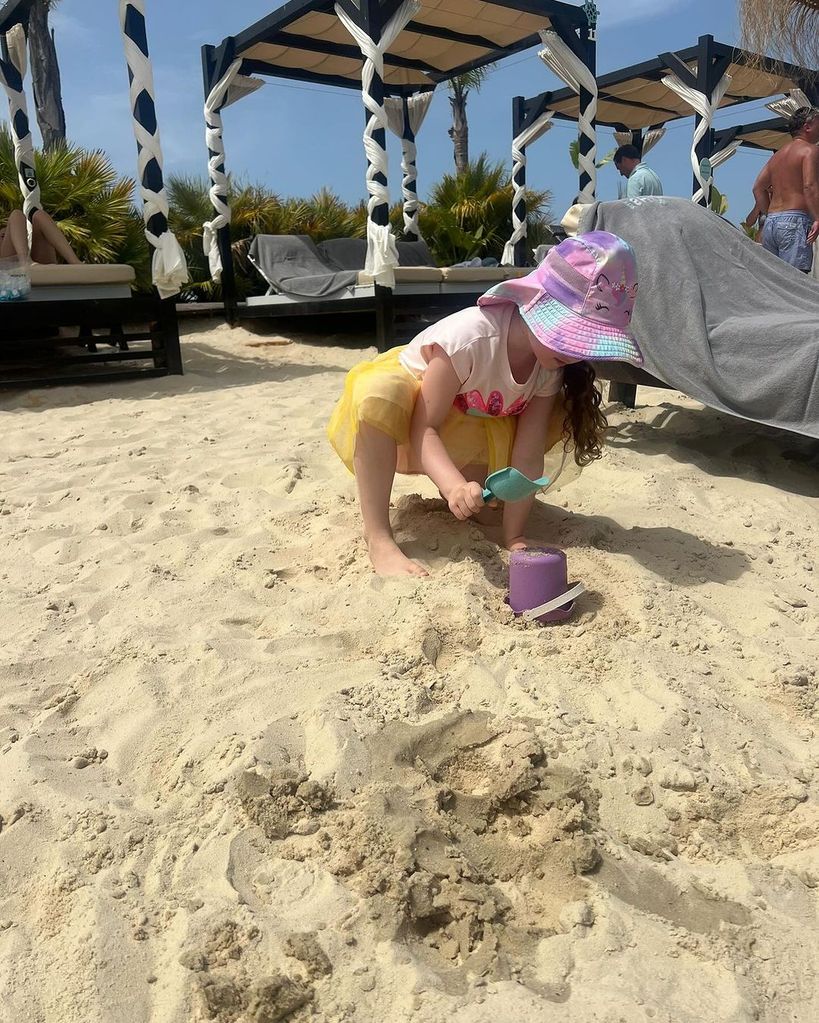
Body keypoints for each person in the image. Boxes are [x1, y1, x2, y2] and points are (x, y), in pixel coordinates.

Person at [327, 233, 643, 576]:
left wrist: (515, 534)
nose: (574, 351)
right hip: (415, 412)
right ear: (536, 304)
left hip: (478, 416)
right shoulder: (471, 340)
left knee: (480, 503)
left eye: (586, 340)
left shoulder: (549, 363)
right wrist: (453, 486)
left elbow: (528, 449)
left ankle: (481, 504)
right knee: (377, 395)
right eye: (569, 333)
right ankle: (379, 538)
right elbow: (424, 426)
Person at [744, 107, 819, 273]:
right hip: (795, 221)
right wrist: (817, 217)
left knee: (776, 283)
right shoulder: (810, 150)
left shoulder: (777, 156)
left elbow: (758, 188)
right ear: (807, 126)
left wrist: (768, 213)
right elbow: (810, 185)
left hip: (771, 223)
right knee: (795, 283)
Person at [0, 207, 81, 264]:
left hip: (33, 262)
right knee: (16, 214)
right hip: (6, 266)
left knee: (39, 215)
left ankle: (75, 261)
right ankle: (25, 261)